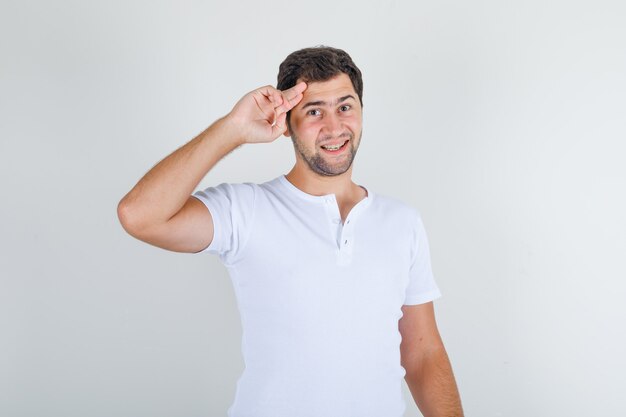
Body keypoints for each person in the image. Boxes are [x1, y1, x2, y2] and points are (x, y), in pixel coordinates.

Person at [117, 45, 463, 417]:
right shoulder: (246, 210)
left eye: (345, 106)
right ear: (286, 123)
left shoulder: (402, 222)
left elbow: (423, 354)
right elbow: (140, 216)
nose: (334, 127)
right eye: (314, 111)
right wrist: (232, 129)